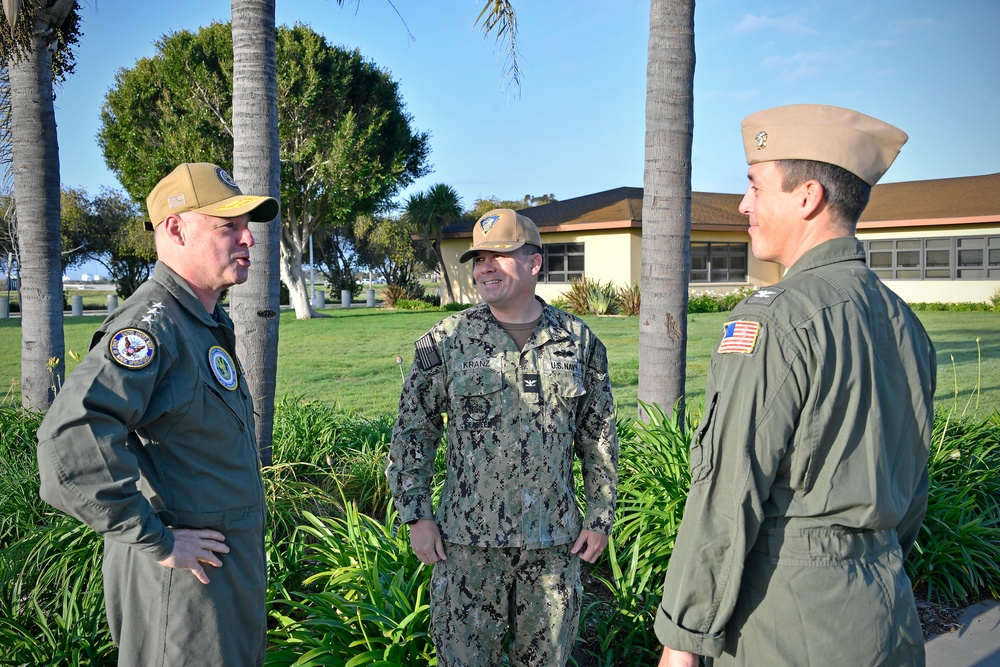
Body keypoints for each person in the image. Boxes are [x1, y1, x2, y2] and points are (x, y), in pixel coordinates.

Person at [655, 105, 937, 667]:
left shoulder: (774, 320)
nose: (743, 205)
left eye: (755, 187)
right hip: (886, 613)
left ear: (807, 197)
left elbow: (726, 494)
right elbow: (912, 488)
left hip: (787, 622)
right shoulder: (904, 322)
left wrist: (682, 641)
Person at [36, 162, 279, 666]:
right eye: (228, 226)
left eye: (247, 227)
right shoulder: (153, 326)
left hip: (218, 585)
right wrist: (160, 540)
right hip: (184, 595)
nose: (248, 240)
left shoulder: (201, 321)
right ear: (175, 227)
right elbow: (68, 443)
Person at [387, 208, 619, 667]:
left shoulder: (578, 342)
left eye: (500, 255)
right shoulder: (448, 340)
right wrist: (416, 516)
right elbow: (414, 433)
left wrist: (600, 516)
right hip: (467, 548)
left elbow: (599, 438)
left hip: (552, 548)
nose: (485, 267)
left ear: (534, 263)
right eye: (479, 258)